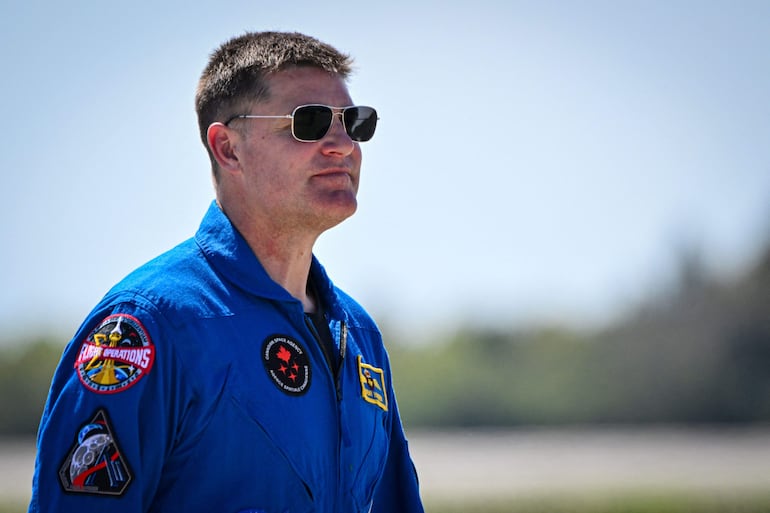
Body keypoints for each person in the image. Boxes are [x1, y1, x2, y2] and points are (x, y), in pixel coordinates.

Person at [28, 31, 424, 513]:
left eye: (355, 123)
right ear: (228, 148)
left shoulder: (357, 333)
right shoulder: (147, 328)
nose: (342, 145)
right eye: (311, 122)